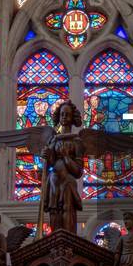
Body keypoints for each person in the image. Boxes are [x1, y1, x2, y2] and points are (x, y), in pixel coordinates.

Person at [42, 100, 85, 234]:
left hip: (68, 180)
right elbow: (48, 165)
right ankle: (55, 239)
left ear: (73, 118)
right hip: (54, 179)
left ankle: (68, 240)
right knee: (54, 210)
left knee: (67, 208)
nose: (64, 117)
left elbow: (78, 171)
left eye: (67, 114)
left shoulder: (76, 141)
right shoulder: (53, 140)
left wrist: (66, 157)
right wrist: (46, 156)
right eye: (62, 114)